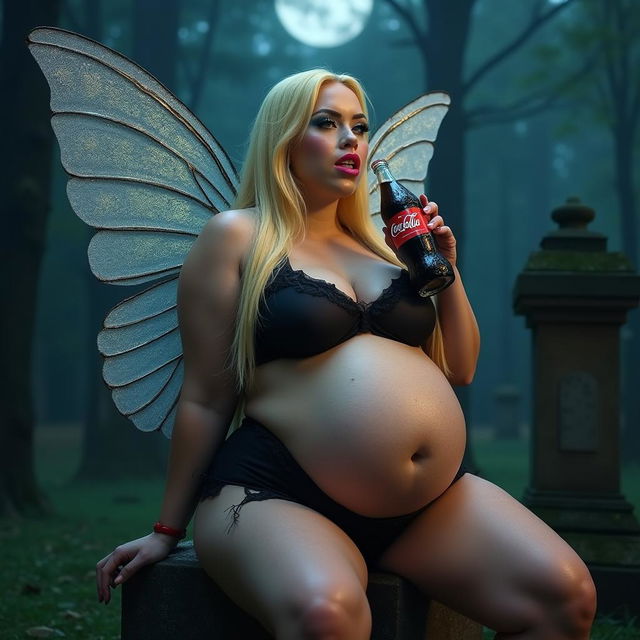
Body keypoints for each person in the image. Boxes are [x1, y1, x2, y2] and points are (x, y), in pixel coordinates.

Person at [96, 69, 596, 639]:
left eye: (359, 126)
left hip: (427, 505)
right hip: (278, 489)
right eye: (326, 123)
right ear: (283, 138)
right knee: (326, 615)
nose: (351, 139)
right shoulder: (237, 236)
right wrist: (166, 529)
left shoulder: (386, 248)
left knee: (566, 597)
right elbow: (207, 398)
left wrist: (443, 268)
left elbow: (460, 366)